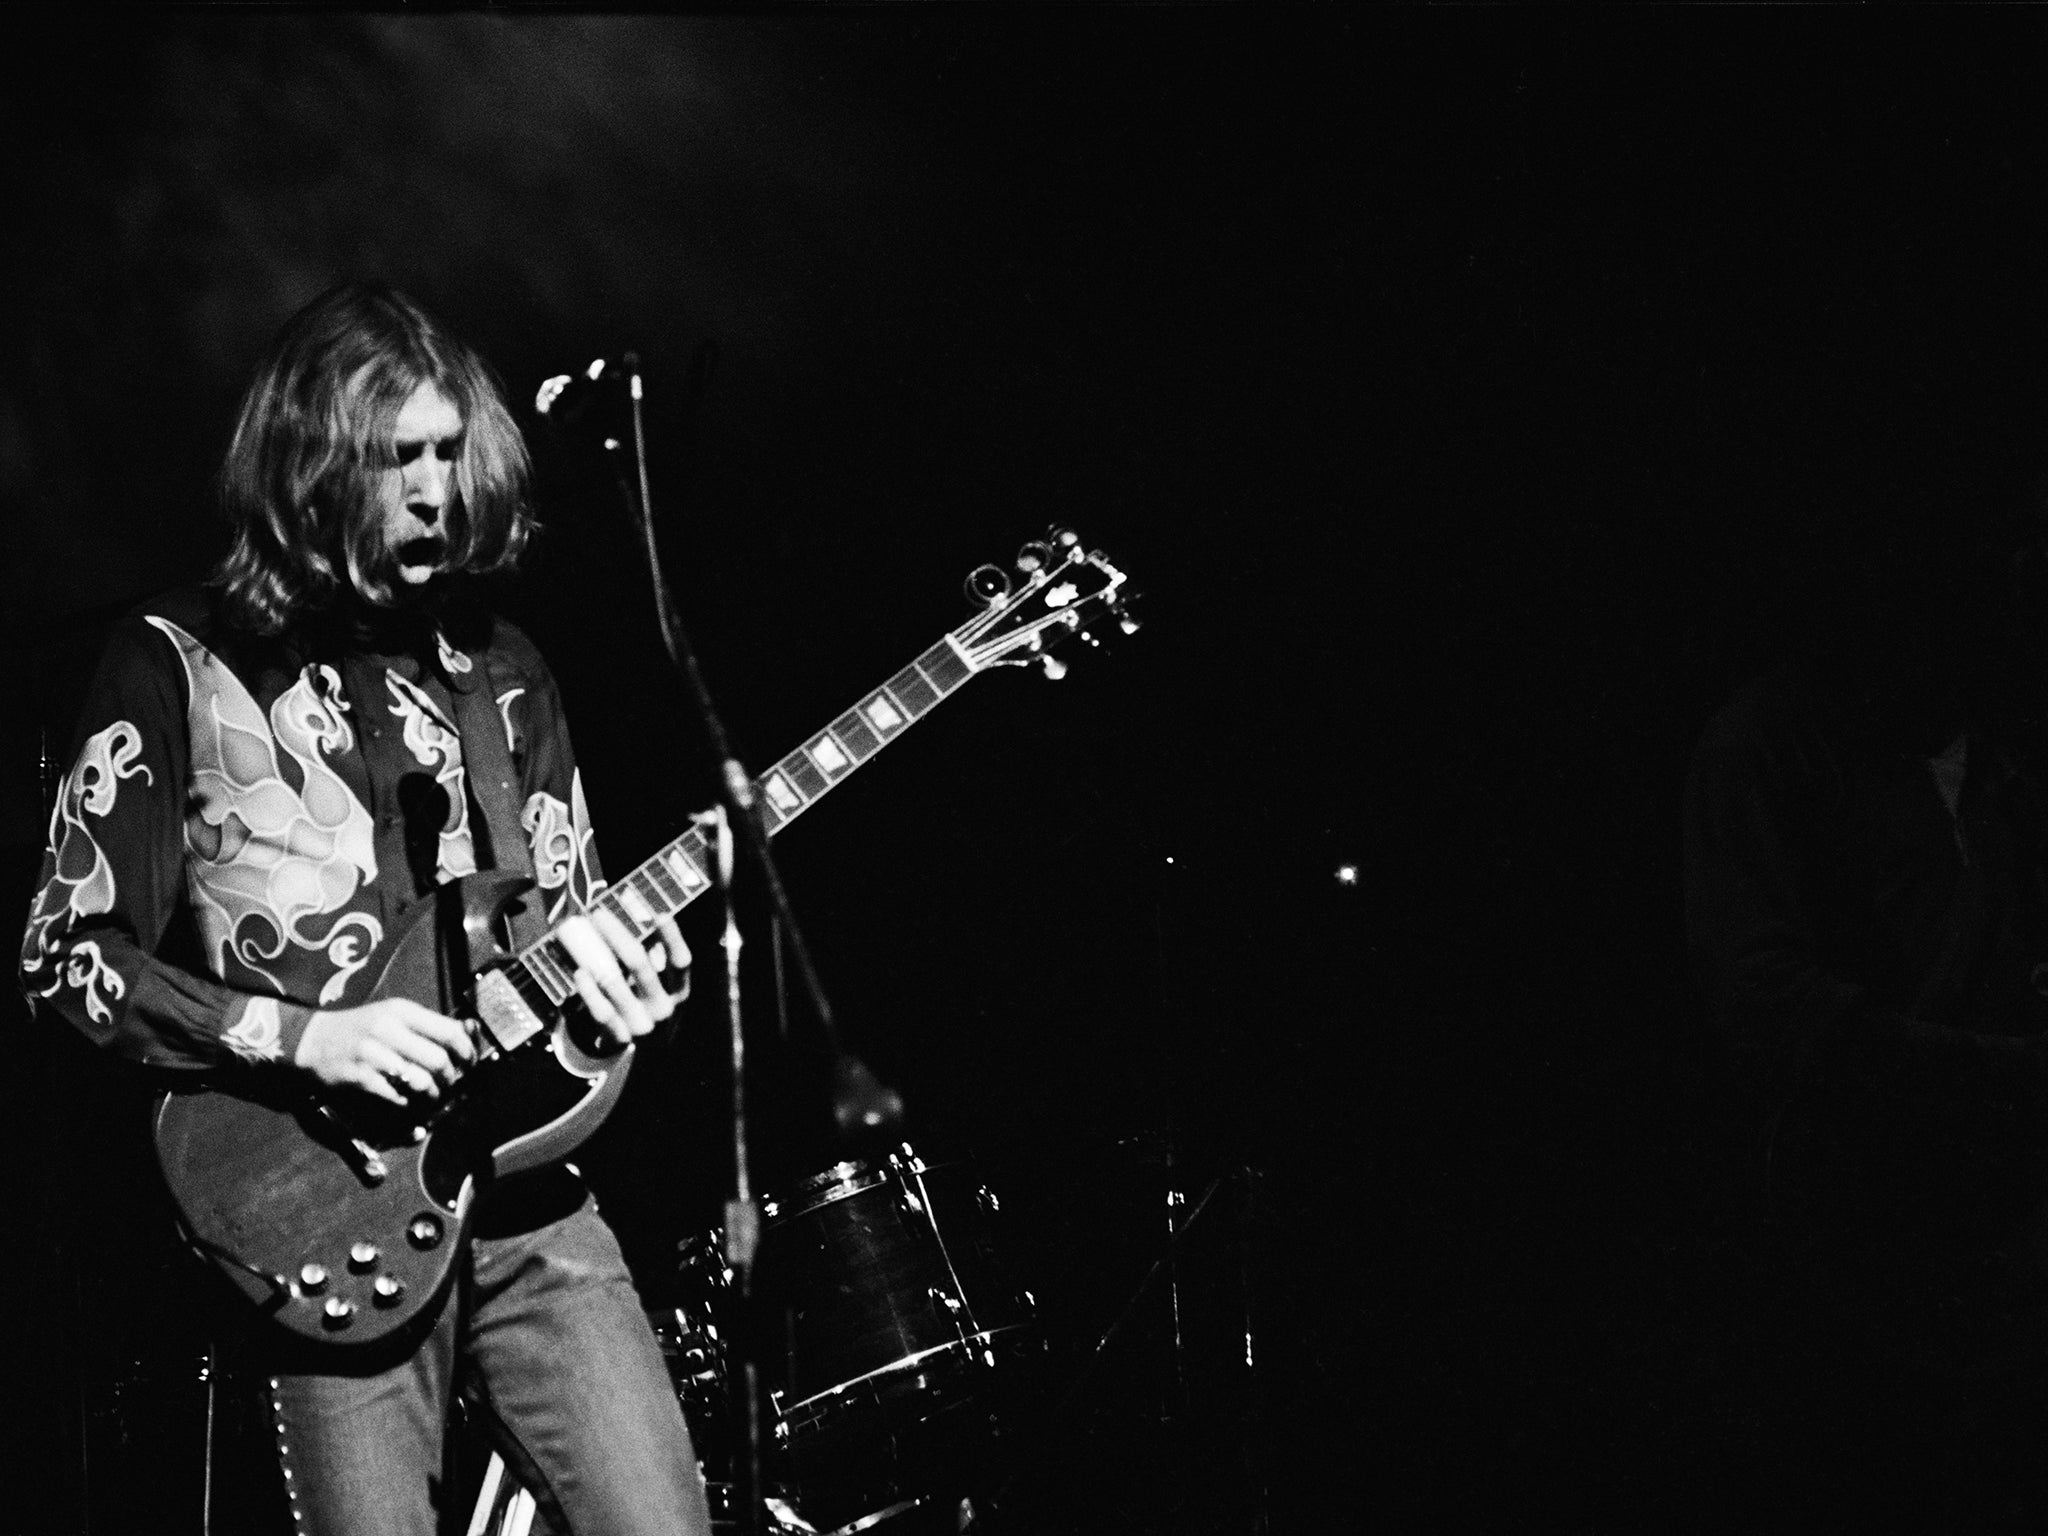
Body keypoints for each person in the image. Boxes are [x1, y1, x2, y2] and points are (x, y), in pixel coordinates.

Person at [18, 282, 715, 1536]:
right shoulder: (176, 660)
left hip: (533, 1211)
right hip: (324, 1223)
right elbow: (65, 958)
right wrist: (307, 1038)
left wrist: (618, 999)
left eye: (451, 452)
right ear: (313, 467)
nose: (437, 492)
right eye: (400, 460)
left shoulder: (504, 671)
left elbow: (564, 939)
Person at [1684, 519, 2048, 1526]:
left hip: (1998, 1264)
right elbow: (1763, 1004)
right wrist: (1997, 1070)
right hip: (1841, 1255)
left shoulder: (2005, 767)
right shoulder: (1767, 741)